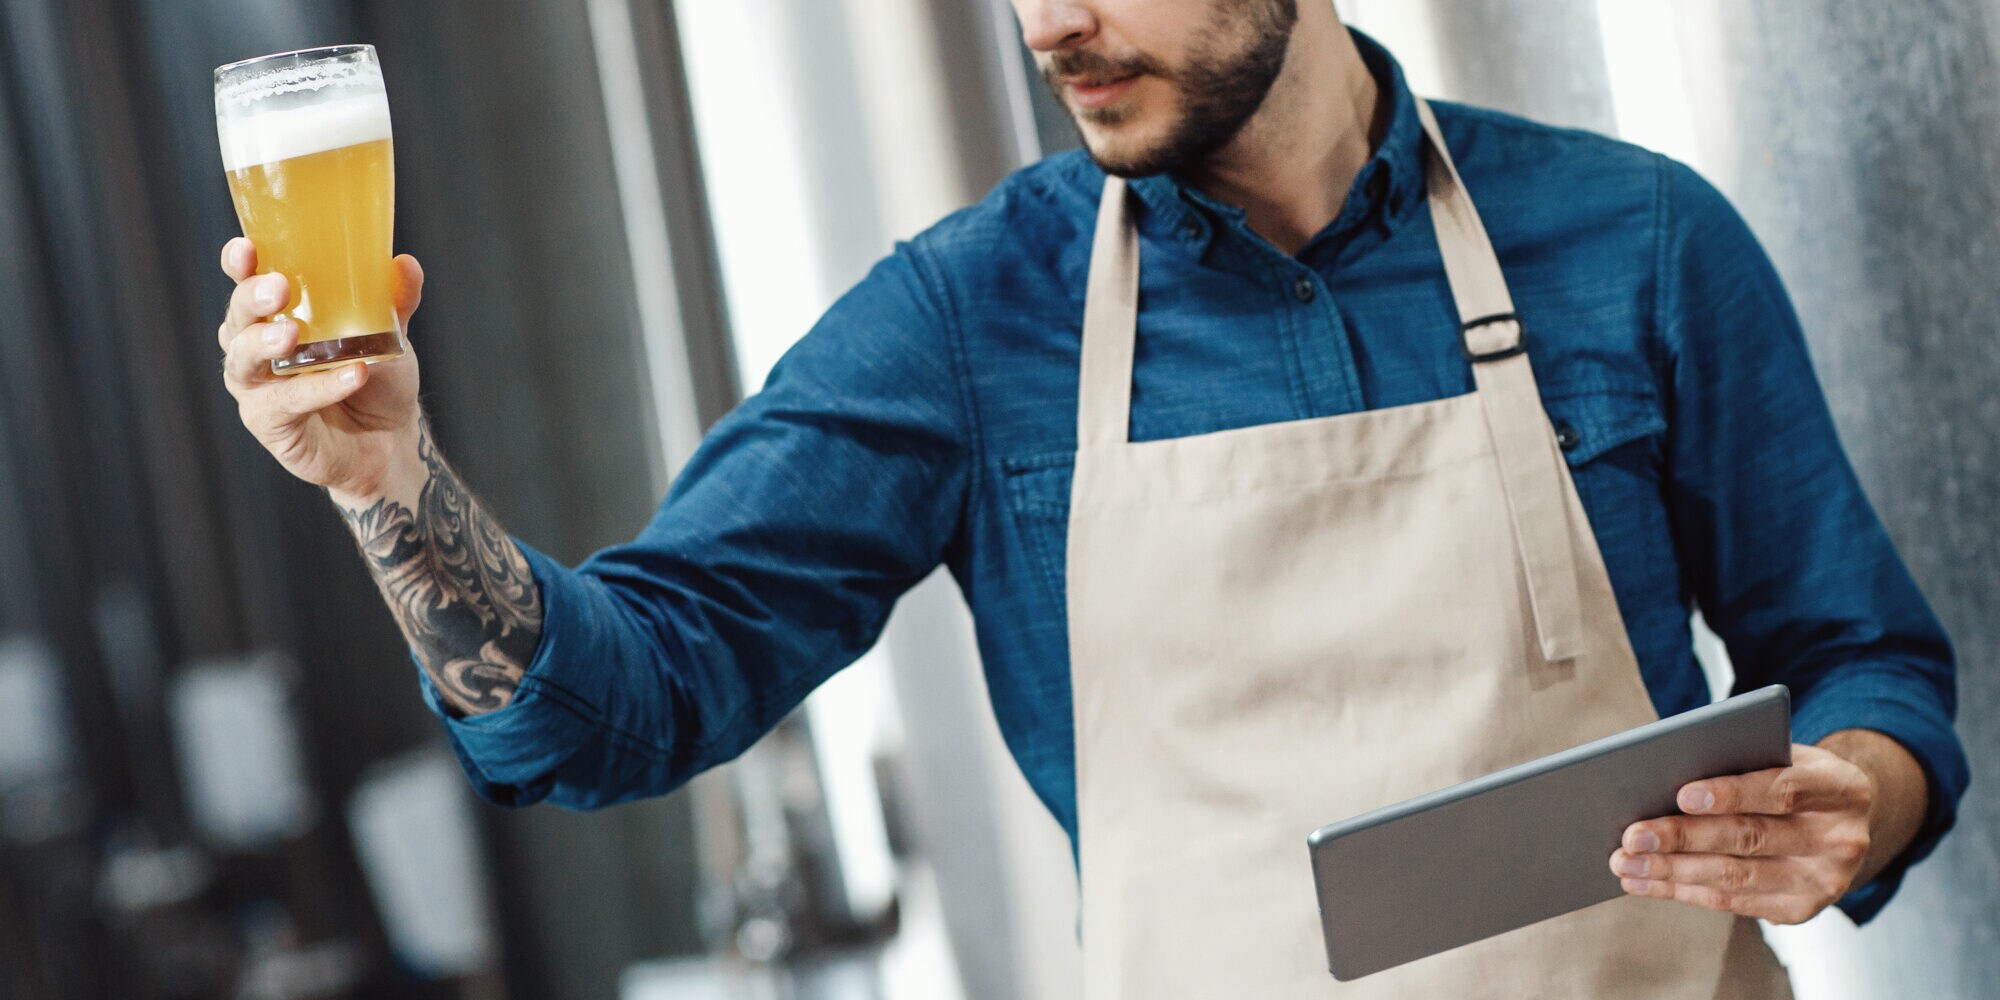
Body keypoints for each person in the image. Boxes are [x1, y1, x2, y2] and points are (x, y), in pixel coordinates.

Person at [216, 1, 1966, 994]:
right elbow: (615, 709)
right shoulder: (975, 319)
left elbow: (1868, 661)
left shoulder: (1639, 241)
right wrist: (390, 486)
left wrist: (1854, 805)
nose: (1053, 19)